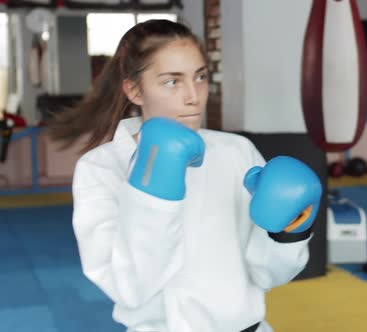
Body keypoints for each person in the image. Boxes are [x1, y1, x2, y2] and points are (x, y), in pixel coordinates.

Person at [50, 20, 322, 332]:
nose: (193, 96)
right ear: (134, 89)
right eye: (171, 81)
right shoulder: (101, 168)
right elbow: (129, 289)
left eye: (200, 77)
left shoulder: (236, 152)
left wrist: (289, 233)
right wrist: (153, 188)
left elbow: (268, 275)